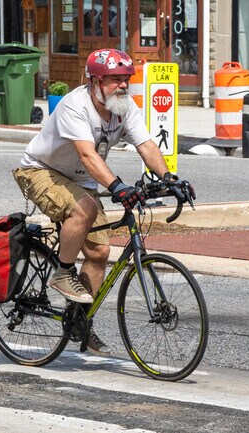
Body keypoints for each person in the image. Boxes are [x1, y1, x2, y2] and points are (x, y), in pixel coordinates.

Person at [13, 49, 194, 356]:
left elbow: (146, 144)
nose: (122, 86)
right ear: (95, 81)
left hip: (80, 180)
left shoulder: (125, 108)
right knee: (84, 208)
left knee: (99, 251)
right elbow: (86, 154)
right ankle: (63, 273)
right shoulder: (76, 105)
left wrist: (169, 179)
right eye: (114, 80)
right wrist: (117, 186)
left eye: (126, 80)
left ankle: (79, 323)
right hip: (41, 171)